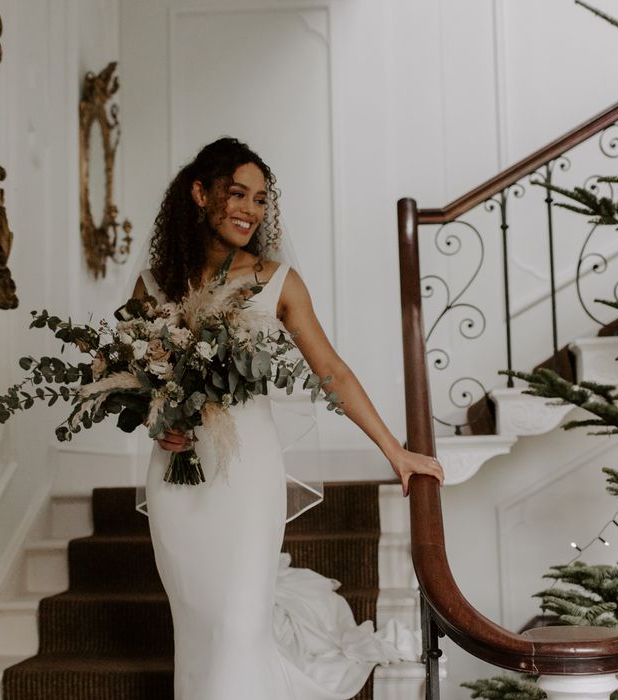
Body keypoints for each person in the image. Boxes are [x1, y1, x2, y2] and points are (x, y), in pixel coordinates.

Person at [133, 137, 443, 700]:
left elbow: (333, 372)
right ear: (200, 194)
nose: (251, 210)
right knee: (200, 630)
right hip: (177, 479)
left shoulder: (277, 282)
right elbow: (129, 379)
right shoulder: (155, 286)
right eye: (237, 194)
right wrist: (162, 422)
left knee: (236, 627)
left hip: (246, 473)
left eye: (260, 199)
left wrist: (394, 451)